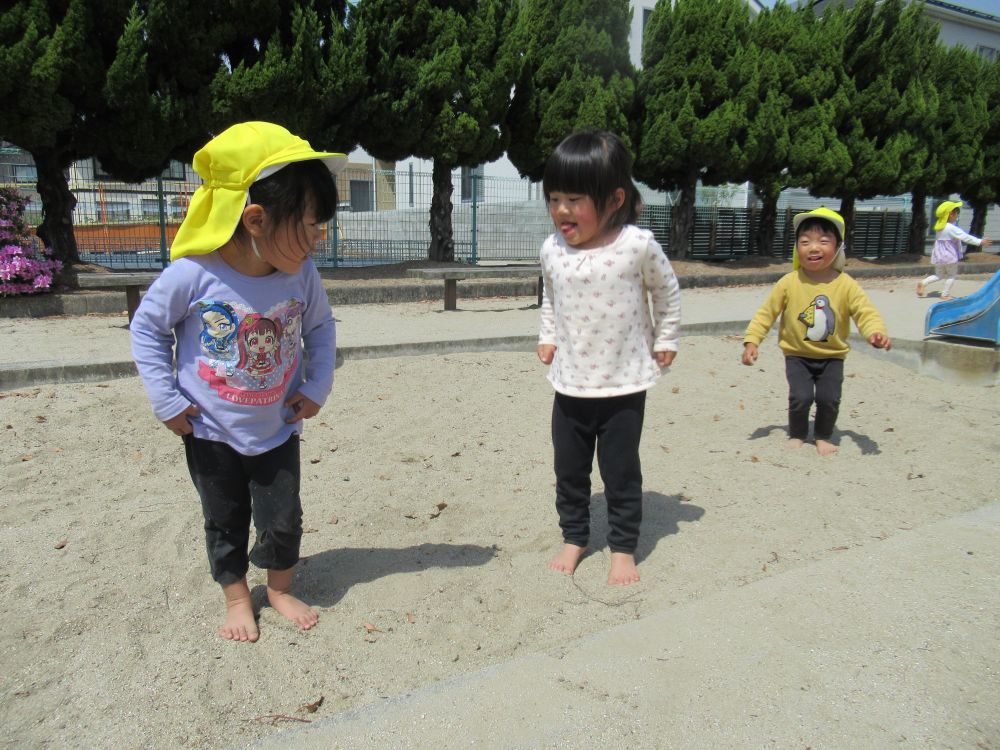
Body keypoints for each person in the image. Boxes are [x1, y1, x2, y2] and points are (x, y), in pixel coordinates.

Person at [131, 121, 345, 642]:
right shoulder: (194, 273)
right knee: (224, 518)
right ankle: (235, 597)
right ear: (255, 217)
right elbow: (147, 329)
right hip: (209, 430)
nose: (318, 240)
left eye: (322, 228)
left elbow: (319, 329)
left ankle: (277, 587)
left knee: (282, 518)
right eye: (311, 227)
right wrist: (166, 399)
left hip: (276, 425)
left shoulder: (301, 275)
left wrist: (316, 387)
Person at [537, 131, 681, 586]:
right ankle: (575, 536)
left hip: (623, 386)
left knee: (620, 472)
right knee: (569, 470)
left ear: (614, 198)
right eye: (554, 198)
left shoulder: (636, 246)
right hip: (570, 385)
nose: (561, 210)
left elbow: (667, 292)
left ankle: (622, 547)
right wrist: (548, 335)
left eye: (574, 200)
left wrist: (666, 337)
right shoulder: (551, 251)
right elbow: (550, 298)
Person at [741, 207, 891, 457]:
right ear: (797, 248)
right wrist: (752, 341)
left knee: (828, 398)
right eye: (805, 241)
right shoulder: (789, 282)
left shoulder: (846, 285)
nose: (813, 248)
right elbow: (766, 313)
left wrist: (875, 332)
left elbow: (865, 312)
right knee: (800, 397)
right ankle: (798, 433)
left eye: (823, 241)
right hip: (797, 354)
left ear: (838, 247)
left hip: (832, 356)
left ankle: (823, 435)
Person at [917, 200, 992, 300]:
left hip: (939, 256)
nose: (957, 215)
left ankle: (923, 283)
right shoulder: (951, 228)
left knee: (939, 275)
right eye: (957, 213)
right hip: (949, 256)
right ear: (951, 214)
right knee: (951, 275)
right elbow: (965, 237)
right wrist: (980, 241)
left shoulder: (939, 227)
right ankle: (945, 294)